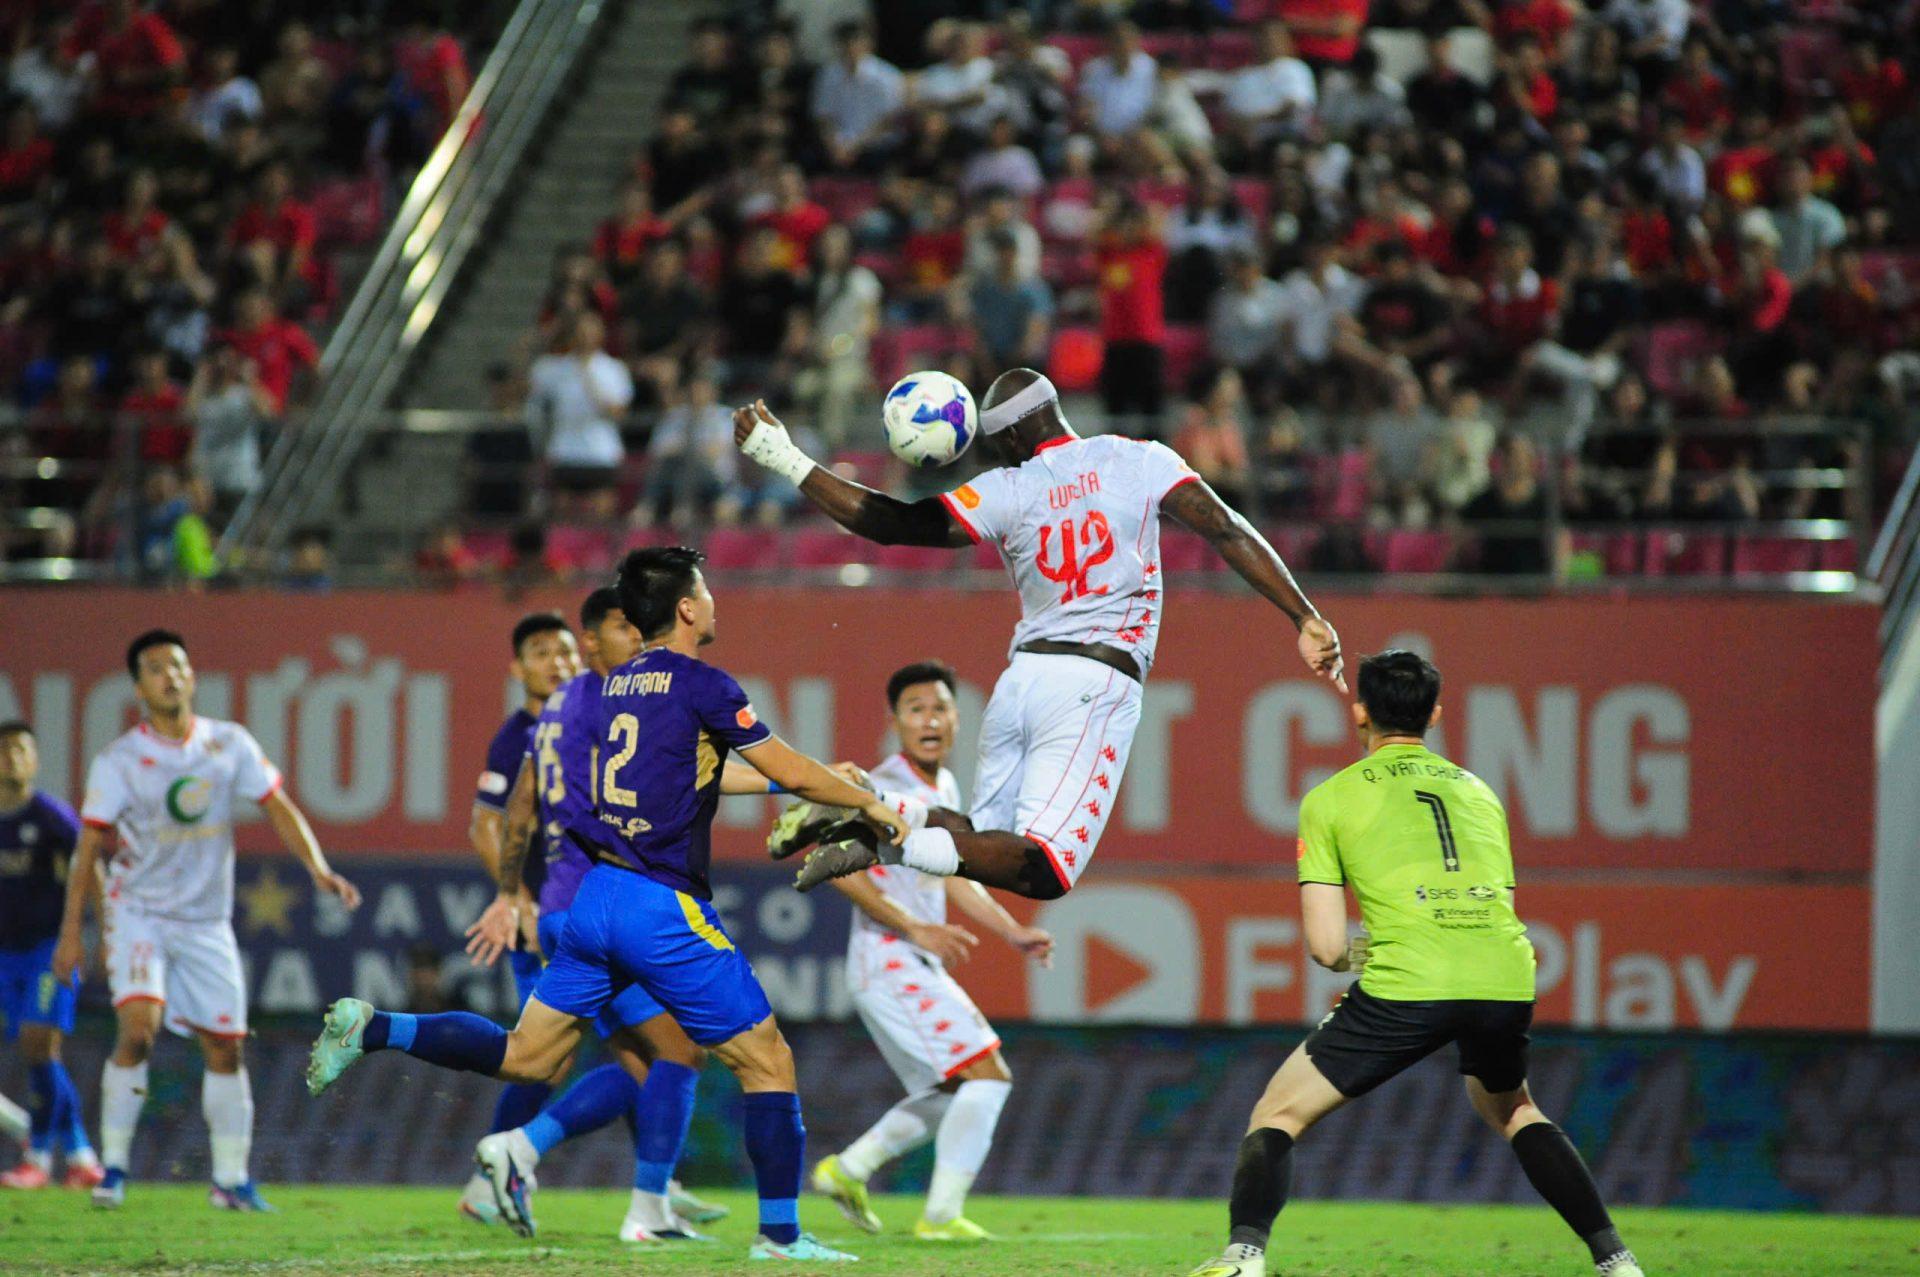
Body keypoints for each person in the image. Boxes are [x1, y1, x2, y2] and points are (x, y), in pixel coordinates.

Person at [307, 547, 907, 1264]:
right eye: (706, 589)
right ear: (687, 606)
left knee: (527, 1056)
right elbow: (786, 769)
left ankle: (377, 1028)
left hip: (596, 897)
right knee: (767, 1059)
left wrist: (808, 786)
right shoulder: (705, 684)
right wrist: (872, 801)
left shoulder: (617, 686)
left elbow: (687, 776)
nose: (714, 600)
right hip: (661, 905)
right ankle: (780, 1236)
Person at [731, 367, 1343, 902]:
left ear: (1014, 438)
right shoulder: (1139, 457)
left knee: (977, 840)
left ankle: (873, 811)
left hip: (1021, 680)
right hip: (1095, 680)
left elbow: (893, 524)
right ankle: (879, 838)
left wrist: (785, 458)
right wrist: (1303, 615)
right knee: (1046, 869)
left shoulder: (1009, 487)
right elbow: (1228, 528)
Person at [1184, 651, 1645, 1277]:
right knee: (1515, 1110)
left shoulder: (1330, 799)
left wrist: (1357, 956)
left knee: (1278, 1114)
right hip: (1504, 975)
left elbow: (1324, 949)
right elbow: (1500, 908)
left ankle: (1243, 1259)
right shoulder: (1479, 792)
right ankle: (1616, 1262)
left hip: (1412, 981)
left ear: (1358, 713)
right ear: (1434, 713)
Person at [53, 630, 361, 1210]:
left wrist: (318, 870)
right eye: (154, 668)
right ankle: (113, 1170)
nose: (169, 675)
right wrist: (75, 932)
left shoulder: (228, 743)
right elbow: (88, 848)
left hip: (205, 922)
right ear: (139, 688)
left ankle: (231, 1182)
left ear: (192, 676)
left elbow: (279, 808)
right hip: (138, 911)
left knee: (225, 1049)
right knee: (138, 1029)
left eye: (177, 664)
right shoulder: (119, 760)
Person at [473, 587, 731, 1239]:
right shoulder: (616, 700)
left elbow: (523, 807)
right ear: (598, 639)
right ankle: (524, 1152)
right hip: (605, 906)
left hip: (565, 905)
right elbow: (608, 809)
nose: (641, 640)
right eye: (628, 628)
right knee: (680, 1048)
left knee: (638, 1064)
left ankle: (649, 1204)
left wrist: (513, 891)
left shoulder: (554, 709)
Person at [805, 662, 1054, 1242]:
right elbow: (832, 867)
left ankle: (850, 1168)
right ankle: (940, 1216)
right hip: (887, 957)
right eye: (915, 709)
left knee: (951, 1091)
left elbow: (954, 875)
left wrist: (1011, 929)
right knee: (987, 1075)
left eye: (940, 708)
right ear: (894, 722)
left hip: (906, 960)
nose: (930, 719)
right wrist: (914, 928)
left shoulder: (941, 789)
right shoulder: (882, 787)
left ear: (958, 719)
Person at [455, 612, 579, 1226]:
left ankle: (658, 1183)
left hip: (586, 914)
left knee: (650, 1045)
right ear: (517, 668)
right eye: (540, 652)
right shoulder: (519, 736)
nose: (556, 661)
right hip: (545, 921)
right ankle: (489, 1178)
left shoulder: (585, 723)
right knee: (545, 1057)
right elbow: (485, 822)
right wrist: (518, 901)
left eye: (565, 650)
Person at [0, 722, 102, 1190]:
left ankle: (37, 1159)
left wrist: (106, 930)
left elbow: (90, 868)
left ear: (35, 759)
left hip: (49, 950)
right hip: (5, 955)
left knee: (39, 1043)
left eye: (21, 749)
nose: (12, 759)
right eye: (4, 751)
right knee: (40, 1054)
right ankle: (80, 1154)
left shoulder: (50, 818)